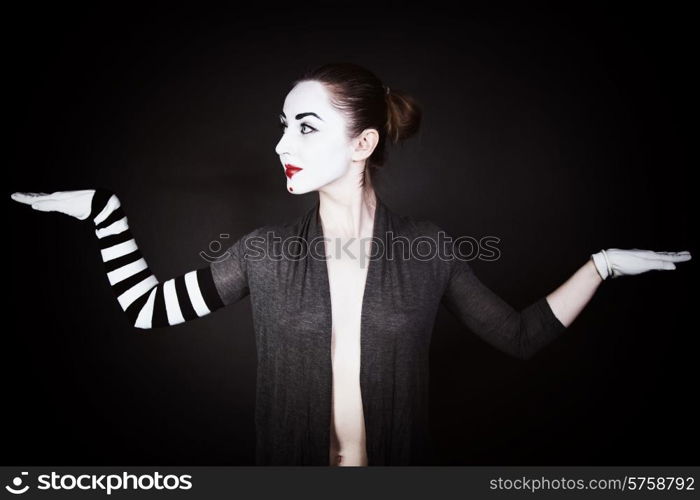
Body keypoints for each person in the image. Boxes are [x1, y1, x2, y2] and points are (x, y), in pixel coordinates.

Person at [10, 62, 692, 466]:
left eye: (305, 126)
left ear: (363, 141)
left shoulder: (427, 249)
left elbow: (520, 336)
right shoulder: (265, 253)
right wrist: (102, 211)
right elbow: (145, 306)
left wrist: (601, 265)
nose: (282, 143)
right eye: (282, 123)